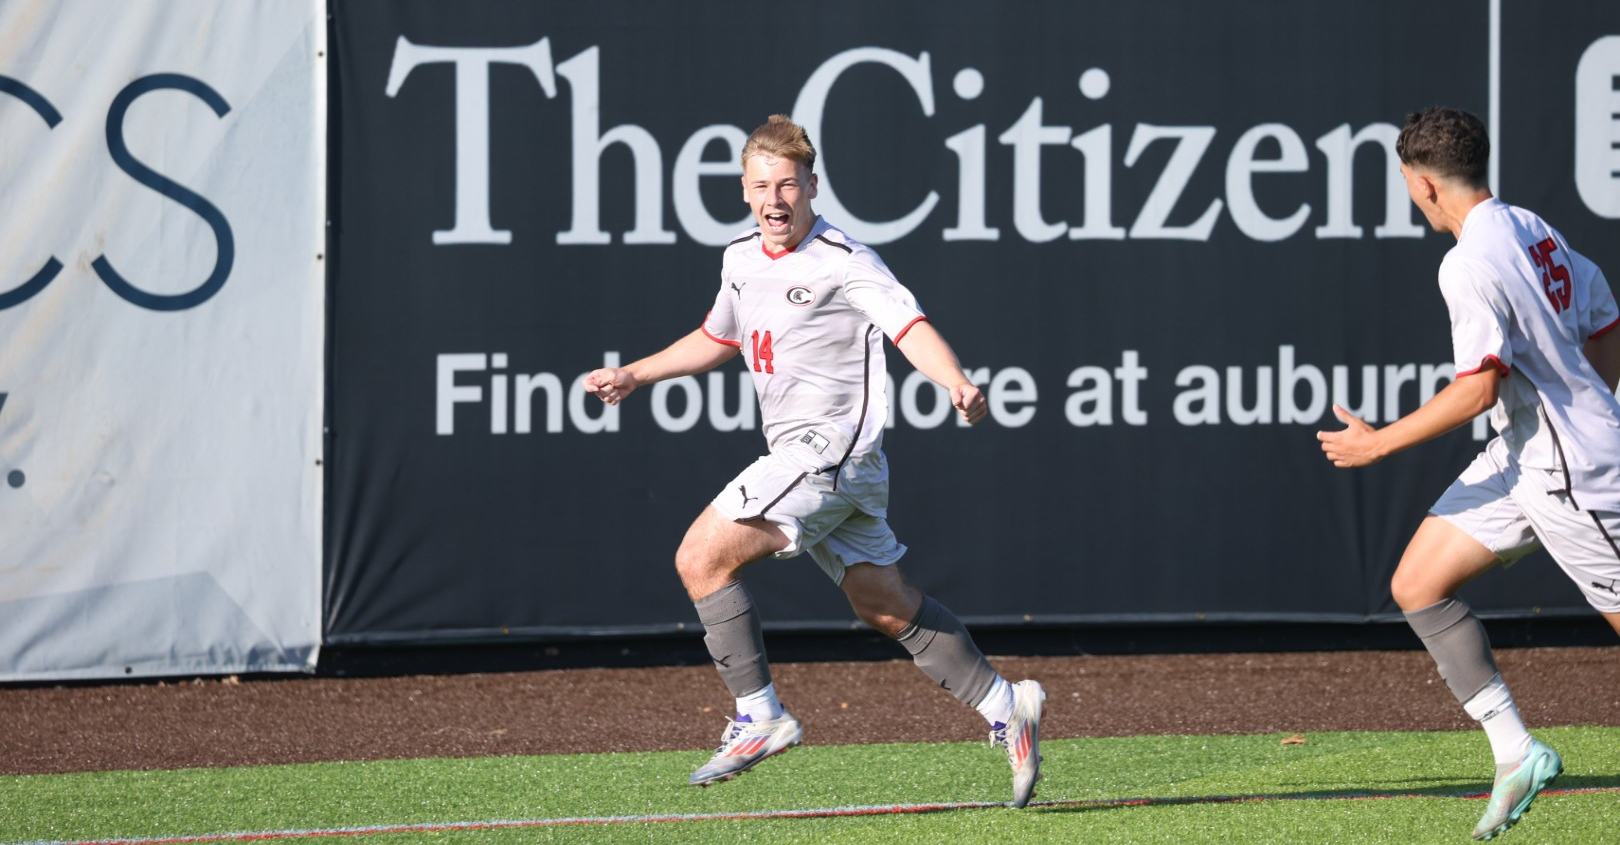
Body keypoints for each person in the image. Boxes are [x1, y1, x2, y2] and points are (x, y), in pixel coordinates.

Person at [583, 114, 1045, 806]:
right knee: (884, 604)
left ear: (812, 187)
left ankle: (761, 714)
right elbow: (719, 336)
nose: (776, 199)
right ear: (744, 190)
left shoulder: (844, 259)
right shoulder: (740, 259)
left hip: (828, 453)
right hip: (834, 467)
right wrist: (637, 374)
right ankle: (1010, 704)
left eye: (789, 185)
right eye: (762, 185)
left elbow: (907, 327)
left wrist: (954, 380)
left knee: (700, 558)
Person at [1318, 106, 1620, 841]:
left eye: (1402, 183)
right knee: (1416, 582)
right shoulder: (1531, 225)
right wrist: (1589, 402)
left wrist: (1379, 444)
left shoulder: (1467, 260)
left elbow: (1478, 386)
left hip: (1570, 472)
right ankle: (1516, 750)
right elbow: (1605, 315)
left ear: (1422, 186)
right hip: (1523, 456)